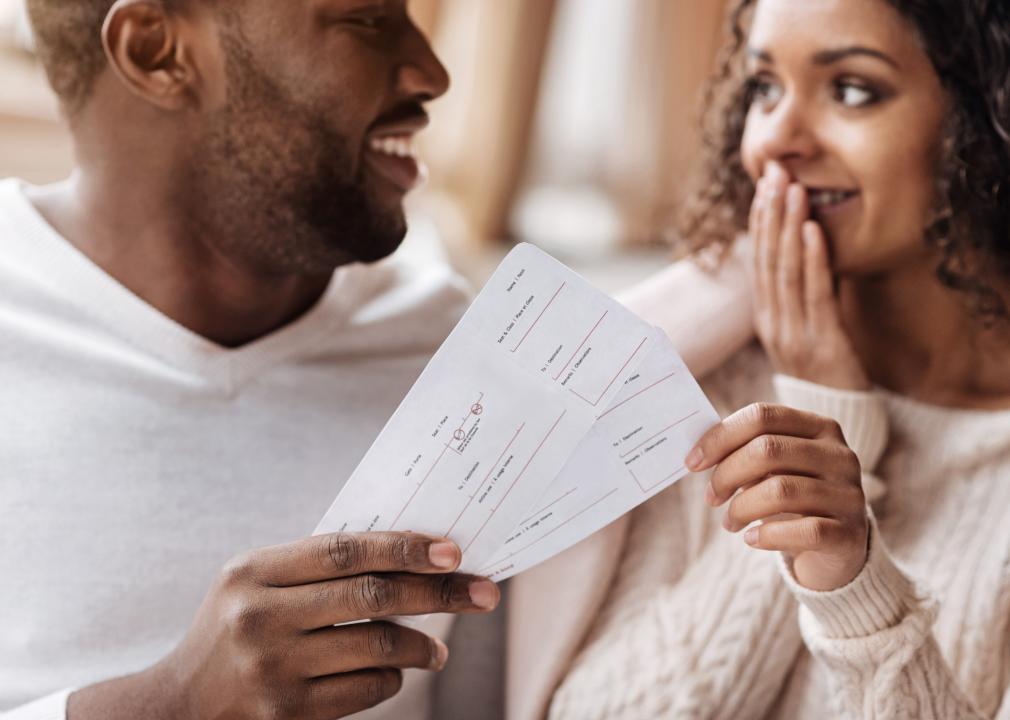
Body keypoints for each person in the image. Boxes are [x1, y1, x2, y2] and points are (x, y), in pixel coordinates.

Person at [0, 1, 507, 718]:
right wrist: (172, 705)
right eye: (366, 19)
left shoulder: (453, 352)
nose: (432, 72)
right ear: (157, 51)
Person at [505, 0, 1010, 718]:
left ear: (987, 121)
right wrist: (826, 416)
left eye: (852, 90)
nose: (776, 138)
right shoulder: (696, 379)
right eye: (764, 88)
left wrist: (853, 585)